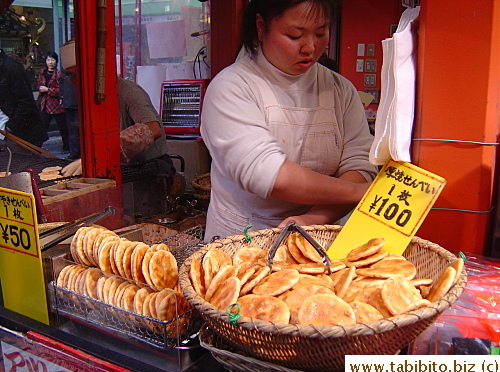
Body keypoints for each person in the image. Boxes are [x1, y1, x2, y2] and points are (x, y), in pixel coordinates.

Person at [200, 0, 378, 241]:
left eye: (321, 33)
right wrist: (361, 193)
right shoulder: (231, 87)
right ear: (261, 27)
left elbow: (358, 165)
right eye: (295, 35)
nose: (310, 47)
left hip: (317, 237)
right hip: (243, 240)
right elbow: (267, 172)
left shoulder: (339, 89)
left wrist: (313, 219)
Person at [60, 40, 175, 181]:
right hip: (117, 167)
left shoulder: (128, 91)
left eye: (77, 75)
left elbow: (153, 128)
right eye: (70, 76)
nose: (74, 82)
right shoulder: (89, 98)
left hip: (150, 167)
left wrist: (107, 149)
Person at [0, 48, 48, 153]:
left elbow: (25, 102)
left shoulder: (11, 67)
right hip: (6, 132)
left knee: (24, 167)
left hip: (20, 133)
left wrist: (10, 128)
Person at [37, 51, 69, 153]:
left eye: (52, 59)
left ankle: (66, 147)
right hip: (45, 104)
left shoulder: (59, 74)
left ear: (56, 61)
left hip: (56, 104)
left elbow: (61, 90)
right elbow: (39, 86)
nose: (50, 62)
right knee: (42, 127)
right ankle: (37, 148)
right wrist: (41, 89)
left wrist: (48, 90)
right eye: (48, 60)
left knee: (63, 128)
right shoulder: (42, 73)